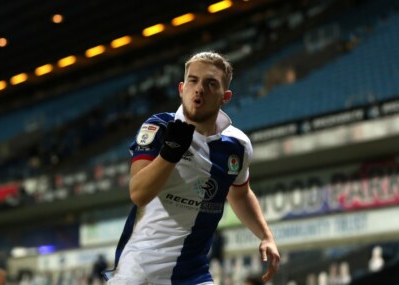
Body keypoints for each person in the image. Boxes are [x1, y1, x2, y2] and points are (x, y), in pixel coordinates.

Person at [107, 51, 280, 285]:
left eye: (211, 84)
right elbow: (138, 193)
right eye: (193, 80)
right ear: (181, 88)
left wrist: (266, 236)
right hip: (138, 272)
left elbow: (240, 194)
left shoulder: (237, 146)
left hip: (193, 274)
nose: (199, 89)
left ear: (225, 96)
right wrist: (170, 153)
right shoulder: (158, 127)